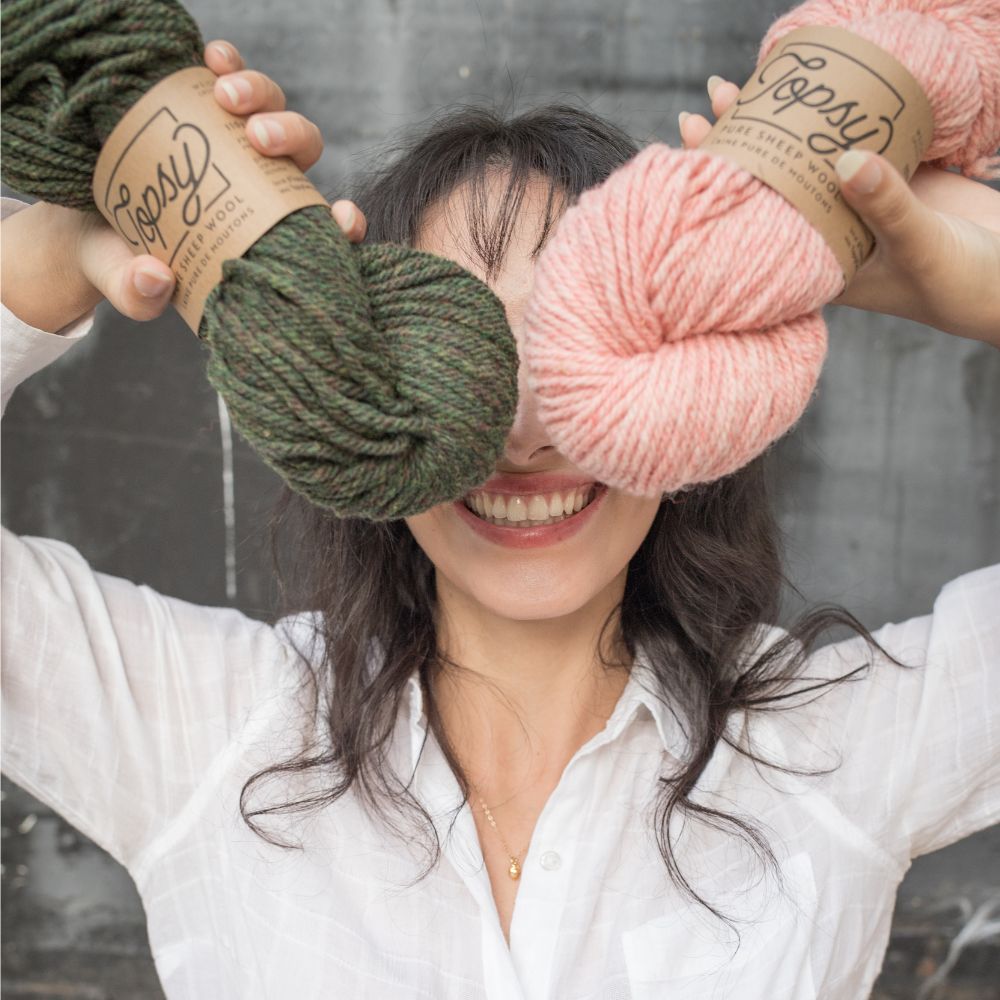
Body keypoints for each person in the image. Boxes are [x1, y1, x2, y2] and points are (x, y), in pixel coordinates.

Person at [2, 39, 998, 1000]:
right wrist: (48, 258)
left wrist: (981, 282)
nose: (525, 435)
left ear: (688, 384)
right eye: (468, 361)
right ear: (361, 395)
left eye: (583, 347)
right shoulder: (210, 731)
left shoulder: (836, 743)